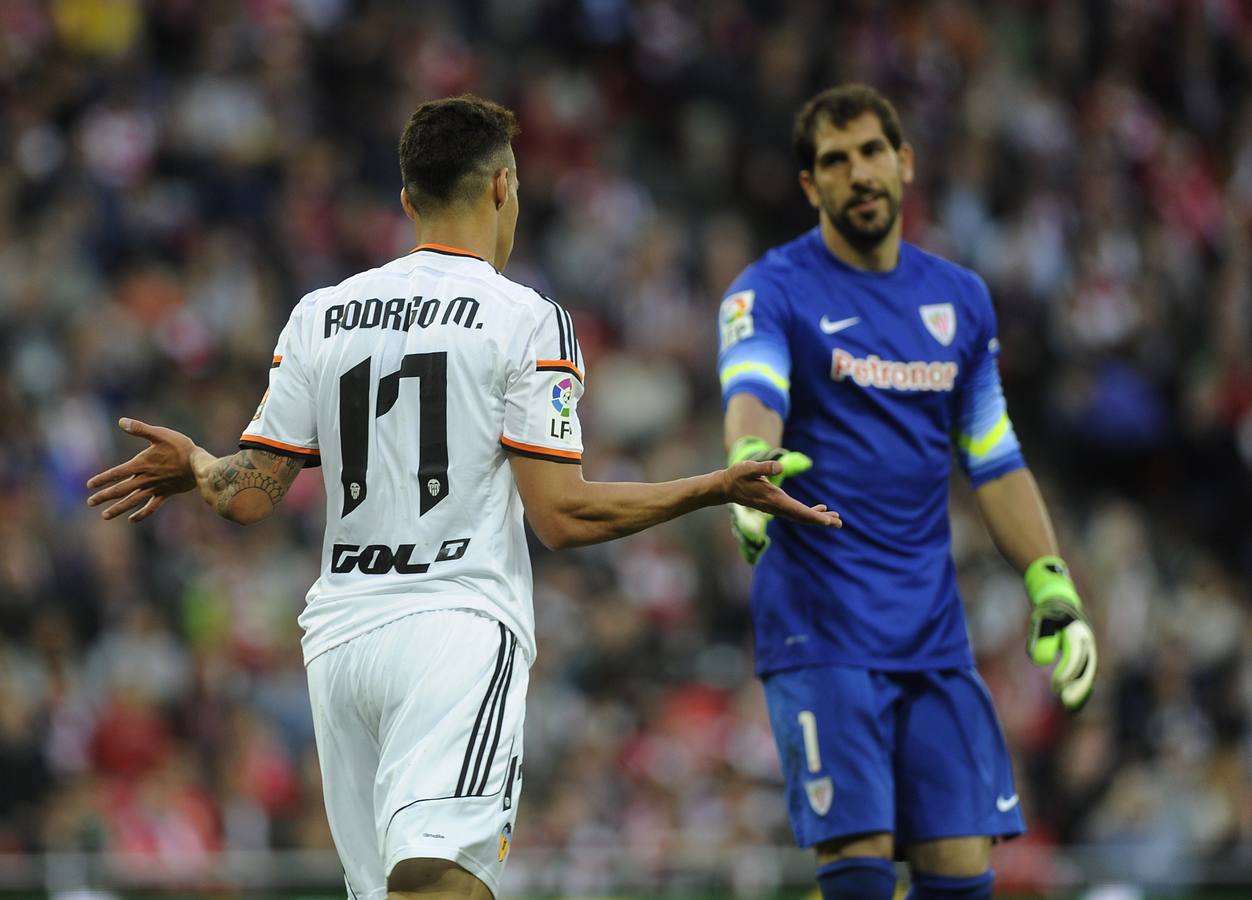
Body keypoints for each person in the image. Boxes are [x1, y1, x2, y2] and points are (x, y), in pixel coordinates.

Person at [86, 95, 841, 900]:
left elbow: (248, 495)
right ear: (503, 187)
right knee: (445, 883)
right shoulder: (527, 319)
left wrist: (201, 464)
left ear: (408, 200)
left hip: (339, 643)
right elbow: (562, 514)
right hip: (455, 624)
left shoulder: (323, 313)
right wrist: (711, 486)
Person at [717, 84, 1098, 900]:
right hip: (822, 631)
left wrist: (1050, 581)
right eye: (834, 160)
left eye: (871, 152)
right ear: (809, 185)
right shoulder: (770, 290)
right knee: (857, 870)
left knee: (963, 874)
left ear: (906, 163)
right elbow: (753, 394)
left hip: (932, 636)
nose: (858, 173)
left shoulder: (960, 301)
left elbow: (994, 457)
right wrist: (748, 462)